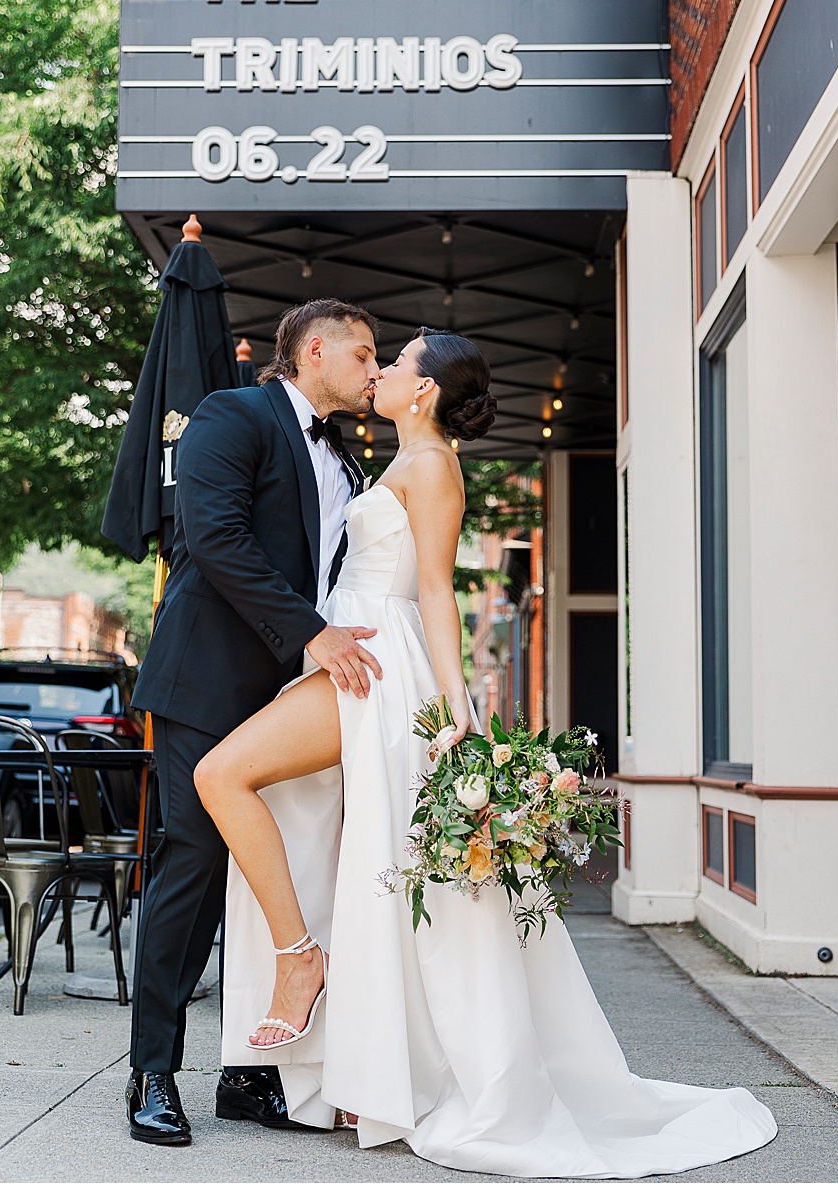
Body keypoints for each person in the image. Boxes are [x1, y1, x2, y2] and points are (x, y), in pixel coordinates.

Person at [192, 327, 777, 1178]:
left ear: (423, 391)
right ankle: (353, 1043)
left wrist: (457, 707)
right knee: (357, 861)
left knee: (226, 774)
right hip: (352, 647)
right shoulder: (388, 463)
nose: (382, 370)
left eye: (395, 364)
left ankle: (303, 962)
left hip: (379, 664)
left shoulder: (431, 468)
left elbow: (435, 588)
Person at [125, 298, 384, 1146]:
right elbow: (215, 535)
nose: (374, 371)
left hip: (289, 699)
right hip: (205, 680)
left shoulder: (344, 455)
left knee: (277, 878)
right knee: (194, 866)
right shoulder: (228, 413)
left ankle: (247, 1074)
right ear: (314, 350)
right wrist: (314, 633)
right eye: (364, 355)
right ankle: (152, 1071)